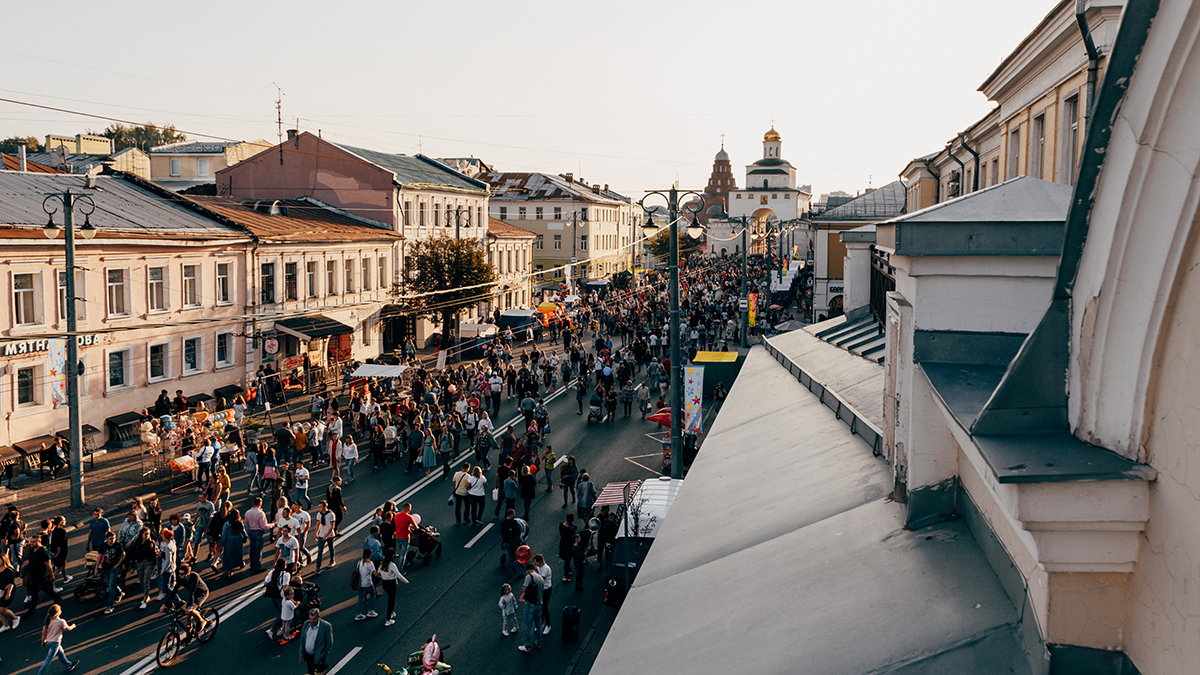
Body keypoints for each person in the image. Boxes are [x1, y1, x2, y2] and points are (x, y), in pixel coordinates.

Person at [23, 535, 62, 620]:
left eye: (34, 542)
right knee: (45, 587)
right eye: (31, 541)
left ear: (39, 542)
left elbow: (48, 565)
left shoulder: (43, 552)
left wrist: (51, 576)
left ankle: (31, 611)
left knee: (34, 593)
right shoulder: (32, 550)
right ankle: (56, 598)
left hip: (40, 575)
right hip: (34, 574)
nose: (31, 543)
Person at [35, 604, 78, 674]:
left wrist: (43, 641)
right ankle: (40, 673)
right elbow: (67, 628)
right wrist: (73, 626)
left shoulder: (48, 621)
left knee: (61, 653)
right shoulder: (61, 621)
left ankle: (69, 665)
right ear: (58, 612)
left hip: (49, 642)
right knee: (48, 659)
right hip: (55, 643)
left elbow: (43, 633)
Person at [175, 563, 210, 635]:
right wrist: (164, 604)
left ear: (187, 573)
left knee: (191, 610)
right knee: (187, 617)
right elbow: (173, 591)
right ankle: (189, 635)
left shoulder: (194, 576)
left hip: (201, 593)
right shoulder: (180, 578)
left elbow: (192, 592)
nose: (180, 576)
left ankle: (202, 621)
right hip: (193, 594)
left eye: (182, 574)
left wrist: (190, 606)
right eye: (179, 574)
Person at [297, 608, 334, 675]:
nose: (311, 621)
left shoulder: (326, 626)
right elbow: (302, 640)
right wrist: (301, 654)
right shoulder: (306, 624)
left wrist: (323, 654)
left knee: (320, 674)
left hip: (319, 657)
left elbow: (329, 642)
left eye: (314, 619)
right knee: (311, 672)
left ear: (318, 617)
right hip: (308, 656)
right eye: (310, 619)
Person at [378, 548, 409, 627]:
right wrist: (406, 581)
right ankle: (388, 619)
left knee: (390, 598)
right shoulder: (392, 565)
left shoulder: (382, 563)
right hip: (391, 583)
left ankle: (391, 612)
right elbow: (398, 575)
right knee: (391, 600)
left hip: (384, 583)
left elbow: (379, 572)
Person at [518, 563, 545, 653]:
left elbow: (524, 589)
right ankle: (539, 642)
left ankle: (527, 646)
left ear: (528, 570)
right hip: (540, 604)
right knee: (539, 623)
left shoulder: (529, 577)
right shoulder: (540, 577)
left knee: (528, 625)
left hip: (531, 605)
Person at [97, 531, 125, 614]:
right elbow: (99, 556)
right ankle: (120, 592)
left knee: (111, 586)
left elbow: (123, 554)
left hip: (113, 568)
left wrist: (118, 564)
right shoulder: (103, 546)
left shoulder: (118, 545)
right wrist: (96, 567)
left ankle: (110, 605)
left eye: (114, 538)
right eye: (110, 539)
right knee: (110, 583)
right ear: (106, 539)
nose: (112, 540)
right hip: (105, 567)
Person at [353, 548, 377, 621]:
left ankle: (358, 614)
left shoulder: (360, 562)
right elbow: (375, 573)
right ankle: (370, 611)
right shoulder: (370, 563)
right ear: (369, 554)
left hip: (361, 583)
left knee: (360, 597)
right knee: (372, 594)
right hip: (368, 583)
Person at [313, 501, 337, 574]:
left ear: (325, 507)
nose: (319, 508)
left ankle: (332, 561)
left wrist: (326, 536)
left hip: (329, 535)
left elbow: (332, 526)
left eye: (320, 507)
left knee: (331, 548)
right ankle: (318, 568)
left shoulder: (331, 514)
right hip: (321, 534)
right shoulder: (319, 514)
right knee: (320, 551)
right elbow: (318, 524)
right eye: (319, 507)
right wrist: (316, 533)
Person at [534, 553, 554, 636]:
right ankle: (541, 623)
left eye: (536, 562)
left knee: (545, 607)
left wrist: (536, 573)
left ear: (540, 561)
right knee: (540, 607)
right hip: (541, 589)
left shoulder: (546, 568)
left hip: (546, 589)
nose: (535, 564)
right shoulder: (538, 567)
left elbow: (541, 580)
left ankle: (548, 625)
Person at [392, 503, 417, 572]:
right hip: (405, 537)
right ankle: (401, 569)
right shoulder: (408, 517)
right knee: (403, 553)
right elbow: (416, 527)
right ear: (407, 508)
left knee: (401, 551)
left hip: (397, 536)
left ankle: (403, 562)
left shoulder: (396, 515)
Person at [558, 513, 578, 582]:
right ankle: (565, 575)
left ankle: (568, 569)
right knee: (567, 560)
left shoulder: (561, 525)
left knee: (567, 560)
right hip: (568, 546)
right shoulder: (571, 529)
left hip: (563, 543)